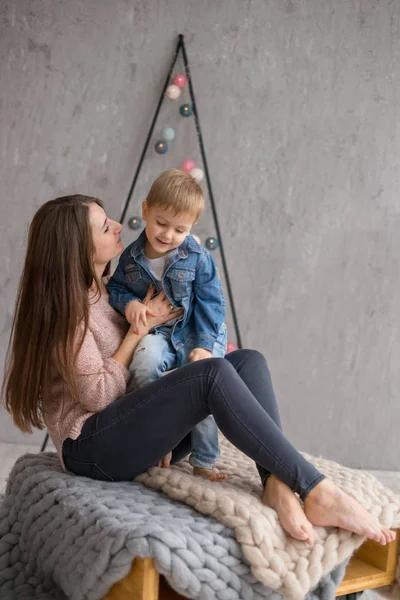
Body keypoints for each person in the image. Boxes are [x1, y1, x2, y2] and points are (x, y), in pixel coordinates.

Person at [2, 194, 395, 547]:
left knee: (246, 361)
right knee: (211, 375)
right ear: (76, 248)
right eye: (106, 227)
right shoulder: (67, 315)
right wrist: (137, 333)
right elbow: (99, 396)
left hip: (132, 430)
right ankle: (317, 492)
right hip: (91, 446)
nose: (119, 226)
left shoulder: (109, 289)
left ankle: (276, 483)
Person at [107, 169, 227, 481]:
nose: (167, 235)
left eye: (179, 229)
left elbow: (212, 304)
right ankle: (157, 442)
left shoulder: (198, 258)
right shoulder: (131, 258)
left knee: (206, 381)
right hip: (158, 331)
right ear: (145, 211)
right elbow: (116, 289)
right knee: (144, 364)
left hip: (196, 331)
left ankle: (204, 460)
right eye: (161, 223)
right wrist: (130, 304)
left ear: (192, 227)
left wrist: (203, 345)